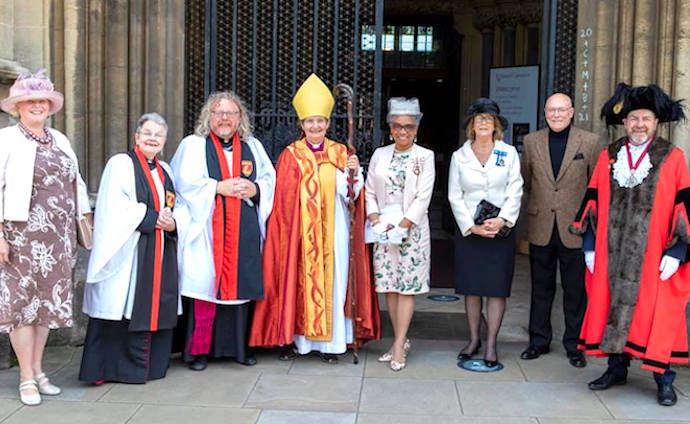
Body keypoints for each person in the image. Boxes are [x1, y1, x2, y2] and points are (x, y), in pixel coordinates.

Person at [572, 83, 690, 406]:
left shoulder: (672, 157)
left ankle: (664, 378)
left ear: (656, 122)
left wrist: (678, 252)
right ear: (624, 122)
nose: (639, 124)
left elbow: (685, 206)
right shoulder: (608, 156)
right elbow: (593, 199)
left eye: (646, 119)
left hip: (654, 258)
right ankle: (616, 368)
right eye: (633, 118)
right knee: (612, 307)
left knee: (657, 316)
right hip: (612, 255)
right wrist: (590, 245)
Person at [250, 73, 380, 363]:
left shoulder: (341, 152)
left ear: (328, 123)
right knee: (299, 284)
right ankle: (301, 343)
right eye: (310, 121)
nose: (316, 126)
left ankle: (331, 346)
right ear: (302, 124)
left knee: (334, 283)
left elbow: (353, 197)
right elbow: (283, 201)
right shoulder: (290, 155)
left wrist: (353, 173)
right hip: (301, 235)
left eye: (320, 121)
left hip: (334, 234)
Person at [0, 70, 91, 405]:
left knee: (46, 306)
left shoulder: (60, 139)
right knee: (22, 307)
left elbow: (76, 182)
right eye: (30, 101)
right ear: (18, 106)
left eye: (42, 101)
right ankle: (25, 377)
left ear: (49, 106)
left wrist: (84, 218)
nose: (37, 105)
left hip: (58, 237)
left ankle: (38, 371)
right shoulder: (6, 139)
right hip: (21, 235)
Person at [171, 91, 276, 370]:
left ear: (240, 117)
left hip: (243, 230)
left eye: (231, 113)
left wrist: (256, 189)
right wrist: (216, 187)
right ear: (209, 117)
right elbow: (182, 183)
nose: (225, 118)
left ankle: (240, 350)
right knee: (205, 287)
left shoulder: (253, 145)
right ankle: (198, 352)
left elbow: (269, 180)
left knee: (240, 288)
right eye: (218, 113)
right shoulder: (193, 145)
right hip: (206, 229)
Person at [79, 113, 179, 384]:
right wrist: (150, 217)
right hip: (130, 250)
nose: (152, 138)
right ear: (136, 136)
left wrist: (173, 221)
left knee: (154, 303)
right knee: (122, 305)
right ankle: (107, 369)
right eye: (147, 133)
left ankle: (149, 368)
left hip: (158, 249)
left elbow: (176, 204)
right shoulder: (121, 164)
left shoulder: (166, 170)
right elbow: (113, 205)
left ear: (165, 140)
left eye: (158, 135)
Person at [519, 93, 600, 368]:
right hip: (541, 224)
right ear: (544, 112)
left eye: (561, 110)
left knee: (575, 290)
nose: (556, 114)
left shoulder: (588, 142)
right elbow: (527, 180)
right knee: (540, 288)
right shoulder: (531, 142)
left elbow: (594, 186)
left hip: (574, 228)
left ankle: (575, 345)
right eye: (551, 110)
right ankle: (538, 341)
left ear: (572, 112)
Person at [448, 98, 523, 369]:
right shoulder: (460, 156)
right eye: (478, 119)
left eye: (488, 119)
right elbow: (455, 196)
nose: (483, 123)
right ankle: (473, 339)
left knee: (496, 289)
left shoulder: (509, 153)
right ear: (471, 125)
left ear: (495, 126)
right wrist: (472, 226)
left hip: (499, 232)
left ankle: (491, 343)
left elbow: (516, 189)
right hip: (471, 232)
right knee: (472, 289)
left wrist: (502, 221)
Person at [365, 97, 435, 371]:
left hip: (411, 232)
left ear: (416, 128)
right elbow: (370, 190)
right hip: (383, 229)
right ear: (390, 128)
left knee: (406, 288)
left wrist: (402, 226)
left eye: (408, 126)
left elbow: (423, 196)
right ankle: (399, 340)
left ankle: (399, 345)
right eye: (397, 126)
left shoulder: (425, 156)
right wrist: (375, 219)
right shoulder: (380, 154)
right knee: (389, 288)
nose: (402, 131)